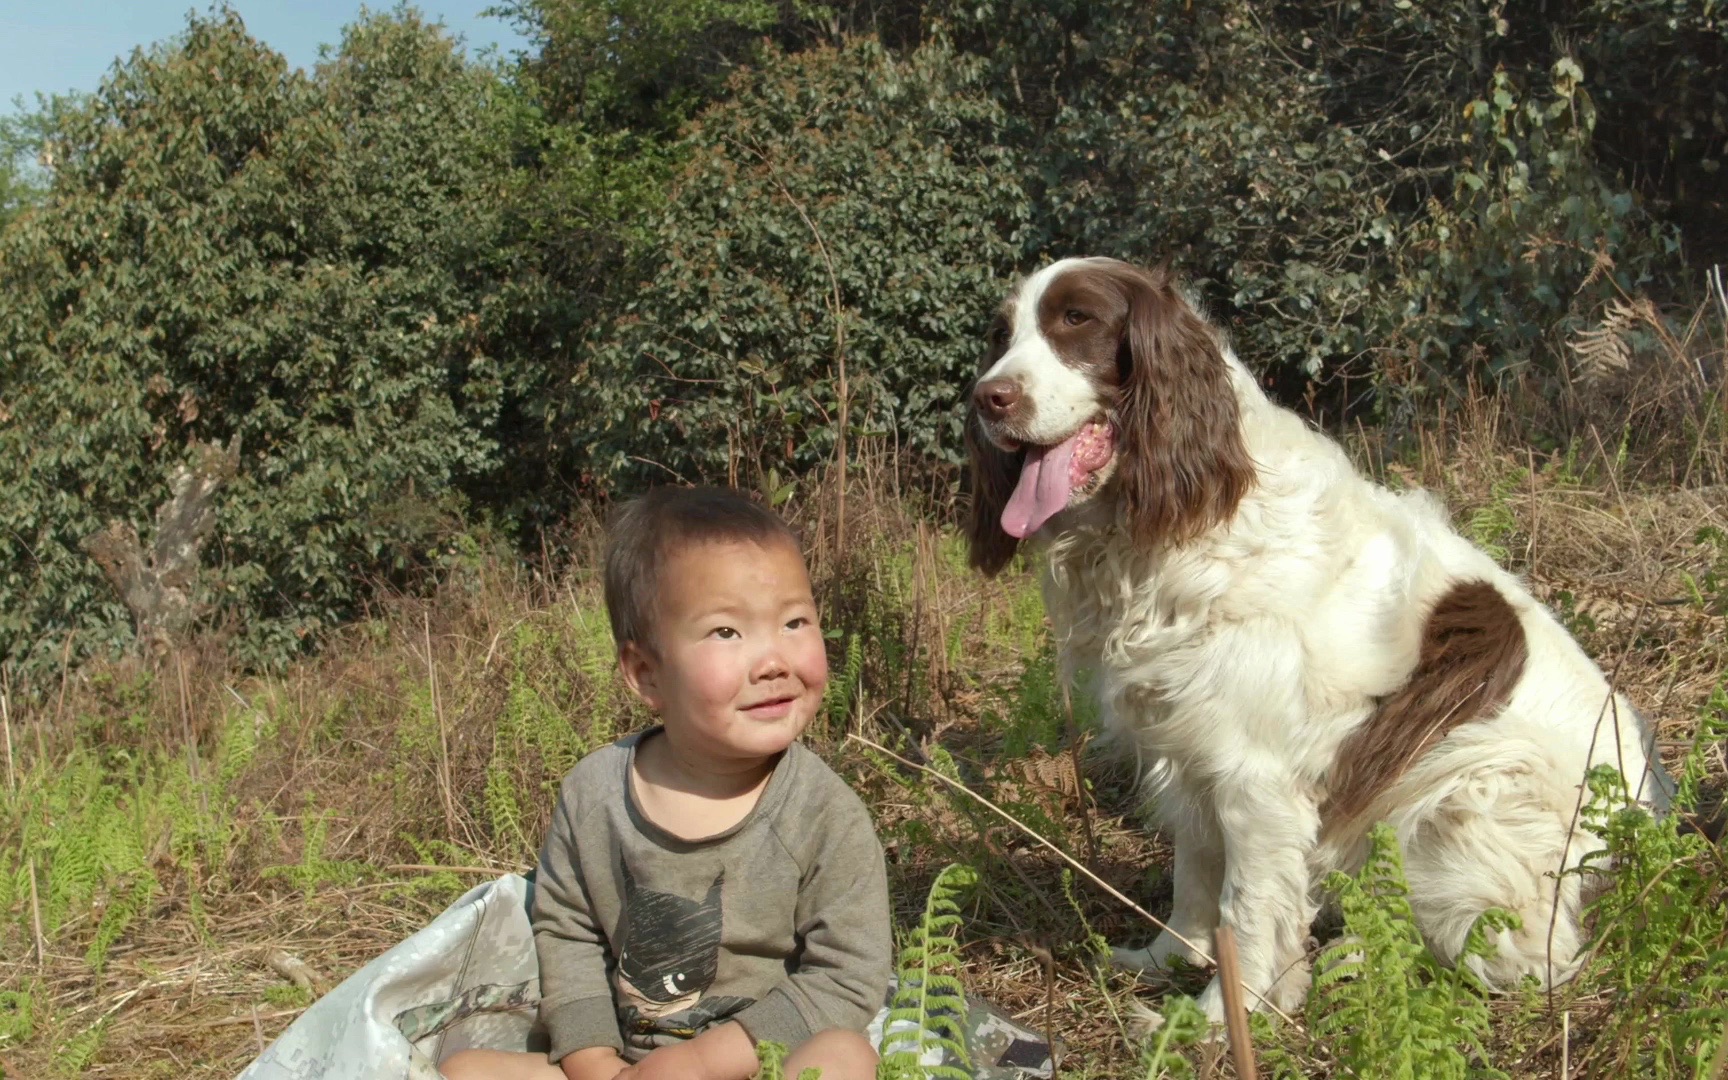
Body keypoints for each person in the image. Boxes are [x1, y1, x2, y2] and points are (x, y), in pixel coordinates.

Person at [441, 486, 892, 1080]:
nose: (774, 660)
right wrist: (593, 1060)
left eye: (795, 621)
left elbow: (846, 979)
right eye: (727, 632)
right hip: (628, 1064)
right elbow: (568, 930)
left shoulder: (824, 813)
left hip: (760, 1061)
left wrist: (703, 1062)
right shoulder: (595, 797)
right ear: (647, 673)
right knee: (465, 1068)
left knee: (845, 1058)